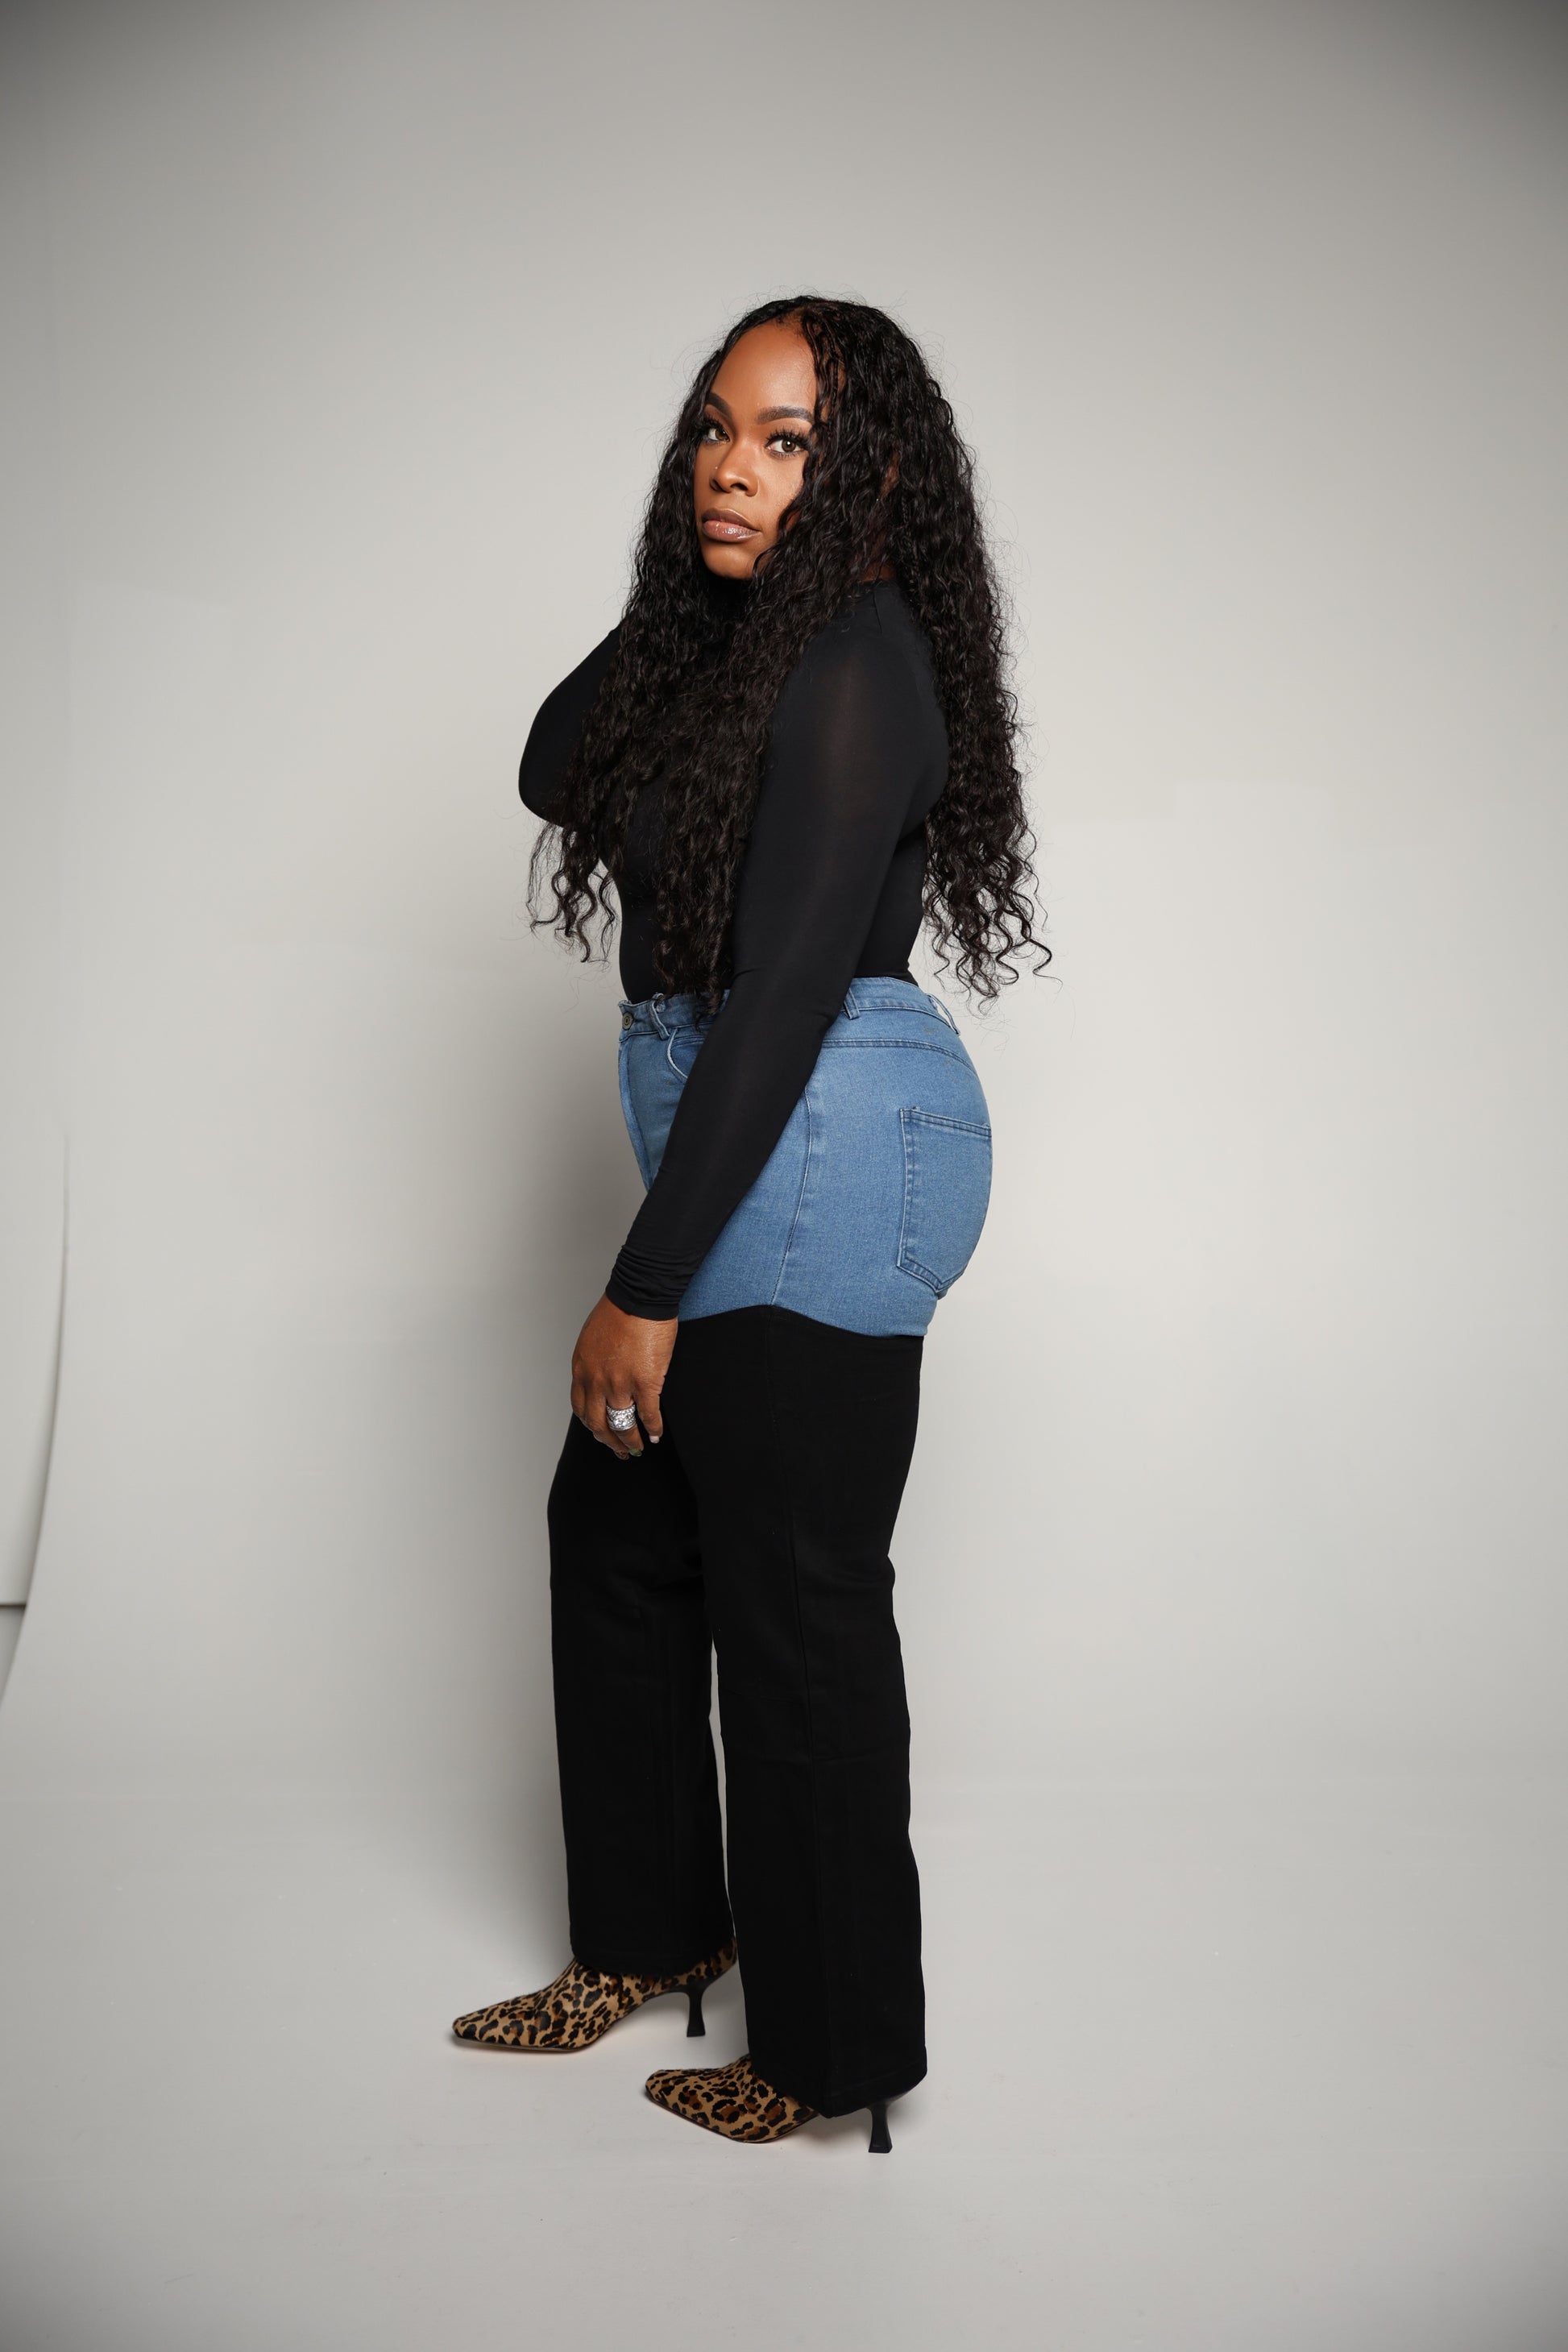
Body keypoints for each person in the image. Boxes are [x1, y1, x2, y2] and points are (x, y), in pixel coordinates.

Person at [450, 296, 1043, 2152]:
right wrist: (691, 584)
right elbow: (553, 763)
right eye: (716, 429)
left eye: (787, 443)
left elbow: (779, 994)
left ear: (869, 476)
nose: (729, 465)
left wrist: (642, 1285)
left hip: (825, 1120)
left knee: (795, 1591)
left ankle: (833, 2049)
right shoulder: (750, 642)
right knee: (621, 1527)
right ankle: (653, 1930)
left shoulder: (861, 665)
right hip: (755, 1117)